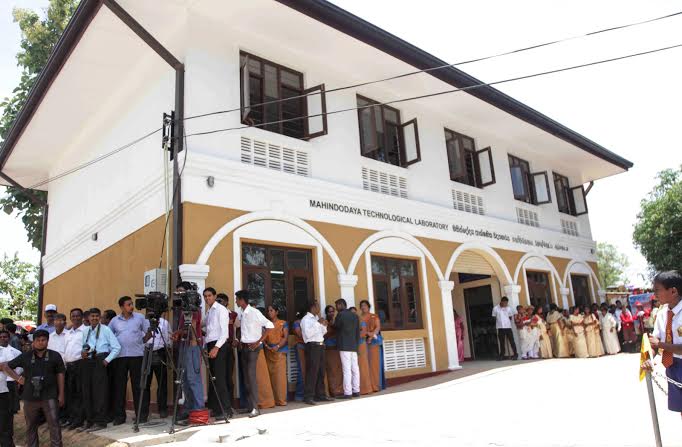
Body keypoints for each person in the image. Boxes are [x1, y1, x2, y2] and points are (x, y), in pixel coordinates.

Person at [2, 329, 65, 447]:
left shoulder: (55, 355)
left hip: (49, 395)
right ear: (33, 342)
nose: (41, 342)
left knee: (54, 425)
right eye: (38, 340)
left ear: (47, 341)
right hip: (29, 396)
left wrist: (61, 394)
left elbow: (60, 374)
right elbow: (6, 366)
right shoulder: (26, 356)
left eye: (44, 340)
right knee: (31, 426)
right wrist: (18, 379)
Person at [645, 271, 682, 417]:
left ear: (673, 291)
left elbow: (658, 342)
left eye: (658, 290)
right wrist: (649, 358)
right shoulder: (662, 314)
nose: (655, 295)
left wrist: (661, 344)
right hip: (671, 365)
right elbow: (653, 342)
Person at [108, 296, 150, 425]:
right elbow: (109, 336)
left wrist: (141, 342)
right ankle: (120, 417)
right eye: (128, 305)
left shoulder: (139, 318)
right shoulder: (114, 321)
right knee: (120, 387)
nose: (131, 306)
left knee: (138, 386)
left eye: (131, 304)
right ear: (121, 307)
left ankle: (141, 416)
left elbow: (149, 332)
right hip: (120, 357)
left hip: (137, 356)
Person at [79, 308, 121, 433]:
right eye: (92, 316)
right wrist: (83, 353)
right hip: (87, 361)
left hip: (100, 360)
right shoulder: (85, 330)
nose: (94, 318)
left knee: (99, 393)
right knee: (87, 391)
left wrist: (107, 360)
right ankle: (89, 420)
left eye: (97, 316)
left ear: (100, 317)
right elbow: (84, 346)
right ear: (88, 318)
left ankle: (100, 421)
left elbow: (117, 347)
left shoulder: (106, 330)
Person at [235, 290, 273, 418]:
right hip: (244, 347)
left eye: (237, 299)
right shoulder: (242, 313)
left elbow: (269, 325)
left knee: (251, 377)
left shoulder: (254, 312)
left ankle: (256, 408)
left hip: (253, 348)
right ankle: (250, 406)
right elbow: (243, 330)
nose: (236, 301)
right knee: (246, 378)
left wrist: (259, 342)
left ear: (241, 300)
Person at [172, 281, 204, 424]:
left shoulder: (194, 308)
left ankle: (198, 409)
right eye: (177, 292)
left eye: (181, 292)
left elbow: (192, 327)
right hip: (183, 345)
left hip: (192, 345)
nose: (178, 294)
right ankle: (188, 408)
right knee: (184, 380)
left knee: (193, 378)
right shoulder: (181, 309)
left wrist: (178, 332)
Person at [202, 287, 232, 419]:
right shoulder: (209, 312)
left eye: (209, 295)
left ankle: (226, 410)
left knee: (220, 379)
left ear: (214, 296)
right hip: (210, 345)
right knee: (212, 378)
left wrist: (216, 348)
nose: (207, 298)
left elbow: (224, 333)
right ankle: (216, 408)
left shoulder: (221, 310)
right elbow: (206, 328)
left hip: (219, 345)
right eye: (205, 296)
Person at [300, 300, 332, 405]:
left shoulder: (316, 319)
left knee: (321, 371)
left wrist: (324, 325)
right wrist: (318, 324)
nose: (319, 308)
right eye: (318, 306)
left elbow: (323, 333)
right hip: (312, 346)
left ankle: (321, 395)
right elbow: (308, 334)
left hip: (320, 345)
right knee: (312, 372)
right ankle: (308, 397)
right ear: (313, 307)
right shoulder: (306, 319)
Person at [141, 313, 170, 419]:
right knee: (145, 384)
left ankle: (162, 409)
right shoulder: (142, 321)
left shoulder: (164, 322)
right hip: (146, 352)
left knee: (162, 383)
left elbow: (167, 339)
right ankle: (144, 412)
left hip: (160, 352)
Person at [62, 308, 88, 430]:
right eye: (73, 316)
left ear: (82, 317)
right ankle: (71, 418)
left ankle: (78, 420)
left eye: (78, 316)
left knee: (79, 393)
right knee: (70, 393)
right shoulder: (67, 332)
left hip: (80, 365)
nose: (76, 318)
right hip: (69, 366)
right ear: (70, 318)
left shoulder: (86, 331)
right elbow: (64, 349)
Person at [333, 299, 360, 399]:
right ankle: (356, 390)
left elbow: (336, 327)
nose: (336, 308)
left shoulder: (340, 315)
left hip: (344, 345)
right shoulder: (355, 316)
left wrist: (331, 322)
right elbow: (358, 332)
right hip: (354, 346)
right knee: (355, 369)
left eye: (337, 305)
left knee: (346, 370)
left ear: (341, 305)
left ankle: (348, 393)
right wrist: (357, 347)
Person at [264, 305, 289, 406]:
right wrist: (267, 346)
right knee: (271, 377)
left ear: (277, 312)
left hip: (280, 352)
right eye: (268, 311)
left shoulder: (283, 323)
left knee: (280, 377)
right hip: (269, 352)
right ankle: (272, 400)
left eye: (272, 310)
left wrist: (278, 346)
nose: (269, 312)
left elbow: (285, 337)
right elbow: (264, 337)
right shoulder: (267, 324)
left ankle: (281, 400)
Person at [0, 329, 21, 447]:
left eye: (5, 337)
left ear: (9, 338)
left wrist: (16, 378)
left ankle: (8, 441)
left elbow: (19, 368)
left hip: (10, 384)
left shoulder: (16, 352)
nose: (3, 339)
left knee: (8, 414)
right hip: (2, 385)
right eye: (1, 337)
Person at [217, 292, 238, 406]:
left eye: (221, 301)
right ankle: (220, 403)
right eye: (218, 301)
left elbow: (240, 328)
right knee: (219, 376)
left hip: (229, 346)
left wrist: (237, 340)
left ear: (226, 302)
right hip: (217, 347)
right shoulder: (213, 313)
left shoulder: (233, 315)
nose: (219, 303)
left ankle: (230, 403)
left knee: (229, 376)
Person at [47, 313, 69, 424]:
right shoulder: (50, 337)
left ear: (65, 322)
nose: (58, 322)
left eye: (61, 320)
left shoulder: (69, 335)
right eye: (56, 320)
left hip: (66, 368)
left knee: (66, 392)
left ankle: (65, 417)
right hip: (53, 370)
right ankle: (56, 416)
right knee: (54, 392)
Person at [359, 300, 384, 391]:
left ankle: (375, 386)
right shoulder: (359, 318)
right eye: (361, 305)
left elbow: (377, 327)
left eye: (365, 305)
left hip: (373, 342)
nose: (363, 307)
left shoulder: (374, 316)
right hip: (363, 343)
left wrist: (371, 336)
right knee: (366, 365)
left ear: (369, 306)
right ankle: (368, 387)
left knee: (374, 365)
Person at [323, 305, 343, 398]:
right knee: (331, 371)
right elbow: (323, 336)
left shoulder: (336, 321)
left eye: (332, 311)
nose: (331, 313)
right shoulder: (324, 322)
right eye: (329, 311)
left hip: (337, 348)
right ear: (326, 313)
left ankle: (339, 390)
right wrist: (331, 329)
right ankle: (333, 391)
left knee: (339, 370)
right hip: (329, 349)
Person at [292, 311, 306, 401]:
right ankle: (299, 395)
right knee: (301, 370)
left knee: (306, 371)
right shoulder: (297, 323)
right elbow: (299, 334)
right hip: (300, 346)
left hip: (307, 346)